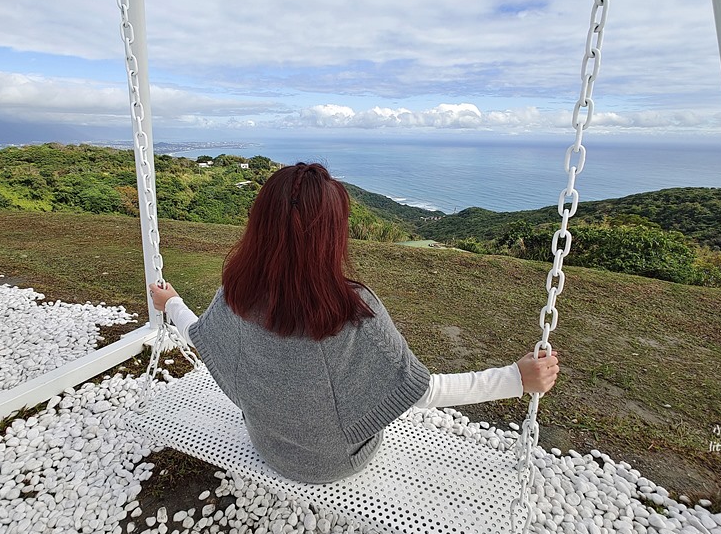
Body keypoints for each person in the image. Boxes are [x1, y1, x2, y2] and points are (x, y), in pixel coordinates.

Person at [149, 162, 560, 484]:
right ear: (331, 236)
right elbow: (418, 390)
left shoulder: (237, 291)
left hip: (267, 443)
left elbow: (201, 334)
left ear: (259, 227)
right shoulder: (350, 310)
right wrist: (516, 379)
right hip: (335, 462)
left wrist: (172, 304)